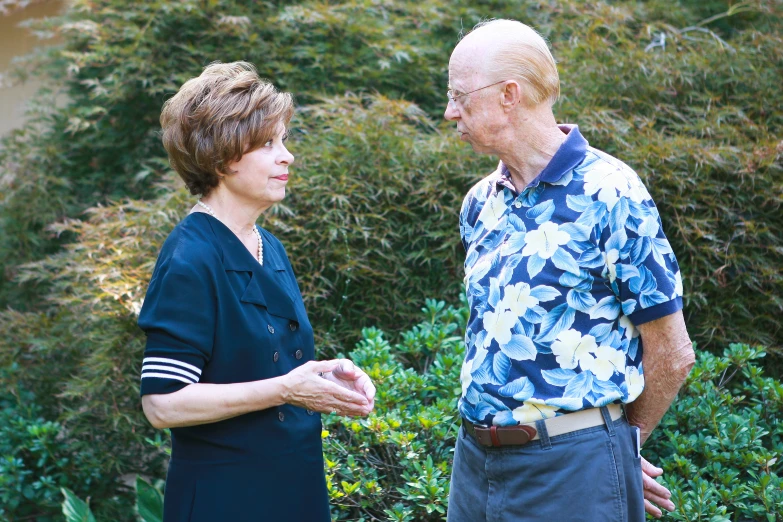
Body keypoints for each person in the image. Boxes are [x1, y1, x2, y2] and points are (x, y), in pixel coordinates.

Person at [444, 20, 695, 522]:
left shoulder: (611, 193)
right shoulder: (479, 203)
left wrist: (621, 449)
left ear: (509, 95)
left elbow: (672, 352)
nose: (450, 112)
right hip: (472, 465)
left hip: (571, 471)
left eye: (460, 97)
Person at [137, 61, 376, 522]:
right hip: (227, 498)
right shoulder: (190, 259)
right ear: (223, 156)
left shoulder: (269, 246)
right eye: (269, 143)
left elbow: (265, 360)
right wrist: (288, 388)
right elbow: (162, 404)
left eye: (284, 141)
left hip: (294, 485)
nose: (287, 156)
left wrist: (325, 376)